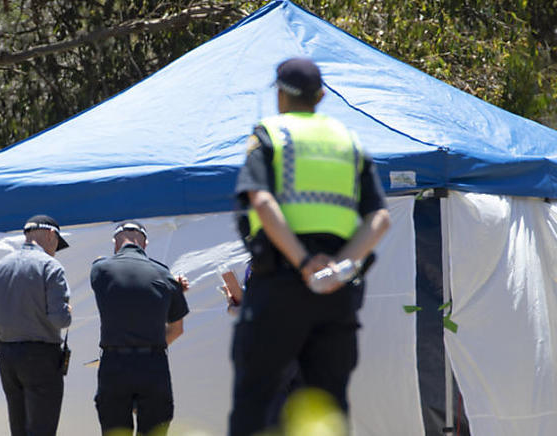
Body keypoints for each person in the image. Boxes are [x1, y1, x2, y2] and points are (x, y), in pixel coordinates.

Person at [228, 57, 391, 435]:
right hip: (335, 294)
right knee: (328, 406)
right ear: (320, 96)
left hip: (280, 285)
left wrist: (303, 263)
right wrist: (338, 268)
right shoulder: (348, 142)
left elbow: (262, 201)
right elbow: (379, 218)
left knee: (257, 402)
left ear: (280, 95)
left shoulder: (270, 134)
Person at [90, 221, 190, 436]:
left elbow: (102, 267)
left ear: (115, 244)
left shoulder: (100, 270)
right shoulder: (165, 275)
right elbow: (177, 329)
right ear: (145, 243)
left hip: (114, 364)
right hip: (153, 364)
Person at [0, 214, 73, 436]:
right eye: (57, 243)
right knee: (42, 429)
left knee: (18, 429)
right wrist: (68, 312)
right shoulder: (51, 267)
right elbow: (60, 319)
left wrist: (3, 347)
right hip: (42, 356)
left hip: (8, 356)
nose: (55, 249)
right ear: (51, 235)